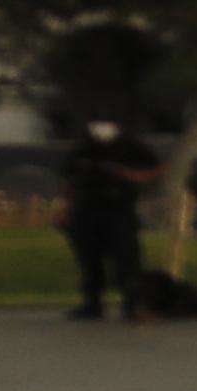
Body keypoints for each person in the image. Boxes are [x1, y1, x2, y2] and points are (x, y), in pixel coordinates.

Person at [55, 118, 159, 319]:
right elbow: (68, 180)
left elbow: (156, 167)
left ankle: (132, 303)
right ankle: (92, 303)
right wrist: (65, 209)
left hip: (119, 209)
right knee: (89, 258)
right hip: (87, 209)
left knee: (126, 258)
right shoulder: (82, 150)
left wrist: (131, 176)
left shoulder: (130, 148)